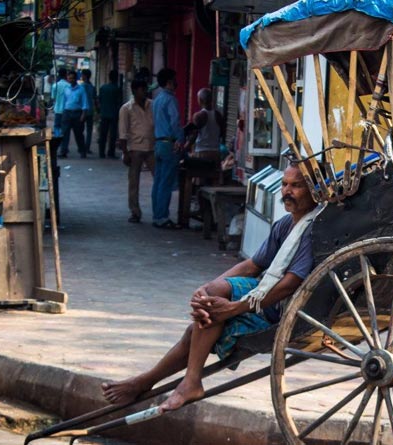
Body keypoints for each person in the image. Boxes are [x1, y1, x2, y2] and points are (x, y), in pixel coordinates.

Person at [101, 162, 318, 412]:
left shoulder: (311, 229)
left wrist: (234, 308)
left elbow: (290, 283)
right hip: (263, 297)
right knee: (204, 314)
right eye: (284, 184)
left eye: (296, 186)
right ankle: (150, 381)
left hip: (281, 308)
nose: (287, 191)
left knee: (203, 322)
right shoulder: (284, 225)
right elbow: (252, 265)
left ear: (313, 189)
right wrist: (207, 287)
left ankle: (181, 381)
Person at [150, 68, 185, 229]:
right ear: (170, 82)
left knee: (158, 181)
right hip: (169, 144)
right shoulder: (171, 100)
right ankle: (162, 216)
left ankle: (157, 214)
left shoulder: (156, 100)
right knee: (165, 182)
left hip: (158, 143)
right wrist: (181, 138)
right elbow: (175, 122)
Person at [118, 79, 155, 223]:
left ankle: (158, 211)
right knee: (134, 182)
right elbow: (123, 132)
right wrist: (125, 152)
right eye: (142, 89)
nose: (145, 92)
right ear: (134, 91)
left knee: (158, 179)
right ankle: (135, 211)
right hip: (135, 149)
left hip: (152, 148)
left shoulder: (152, 105)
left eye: (146, 89)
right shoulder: (126, 109)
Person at [57, 71, 90, 158]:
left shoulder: (81, 89)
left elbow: (85, 103)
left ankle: (82, 151)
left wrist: (83, 115)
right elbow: (64, 102)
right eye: (69, 78)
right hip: (67, 113)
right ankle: (63, 151)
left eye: (72, 78)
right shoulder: (66, 89)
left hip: (77, 114)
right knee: (64, 134)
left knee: (79, 134)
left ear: (75, 78)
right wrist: (63, 113)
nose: (70, 80)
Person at [188, 87, 225, 163]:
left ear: (200, 100)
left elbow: (194, 136)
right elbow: (222, 133)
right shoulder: (218, 115)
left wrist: (185, 147)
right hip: (215, 153)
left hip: (201, 153)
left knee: (198, 174)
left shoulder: (198, 116)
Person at [98, 70, 122, 158]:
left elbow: (99, 100)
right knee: (112, 135)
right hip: (114, 114)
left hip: (104, 113)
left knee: (103, 134)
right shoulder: (117, 89)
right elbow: (119, 102)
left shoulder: (103, 88)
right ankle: (111, 152)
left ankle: (101, 152)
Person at [80, 69, 97, 155]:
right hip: (90, 111)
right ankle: (87, 147)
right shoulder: (92, 87)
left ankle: (82, 147)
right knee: (89, 131)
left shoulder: (81, 87)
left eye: (82, 75)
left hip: (83, 111)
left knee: (80, 130)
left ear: (85, 76)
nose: (81, 77)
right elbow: (95, 100)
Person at [52, 68, 69, 138]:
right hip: (66, 110)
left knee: (56, 126)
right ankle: (64, 144)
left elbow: (53, 98)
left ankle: (57, 140)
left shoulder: (55, 85)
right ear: (66, 75)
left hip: (57, 109)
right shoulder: (69, 86)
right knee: (65, 127)